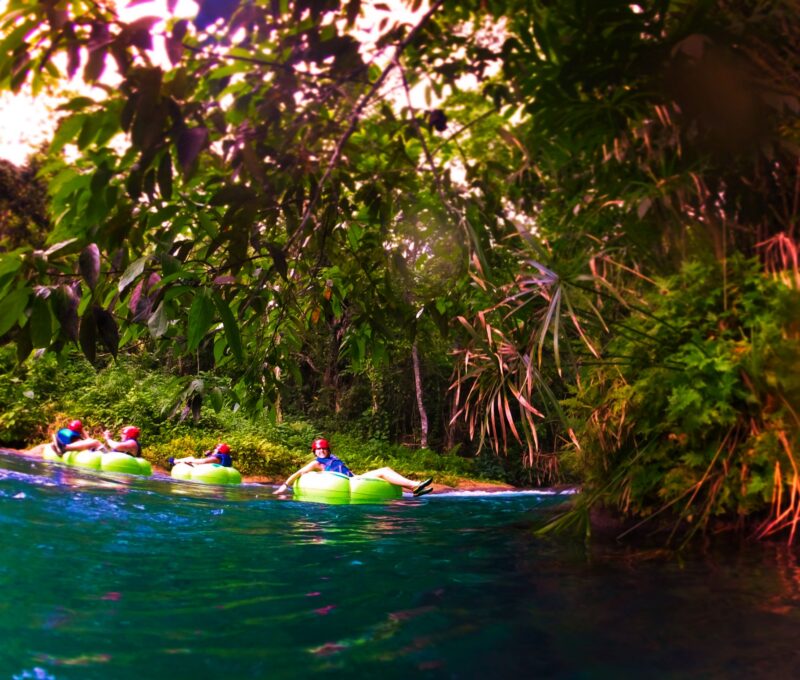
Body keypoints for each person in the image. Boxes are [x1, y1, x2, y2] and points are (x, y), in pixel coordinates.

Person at [275, 438, 433, 496]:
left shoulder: (333, 458)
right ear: (314, 452)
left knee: (385, 471)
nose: (321, 451)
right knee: (384, 471)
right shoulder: (316, 463)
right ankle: (415, 485)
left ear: (328, 450)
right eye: (318, 450)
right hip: (349, 483)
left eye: (323, 449)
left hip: (355, 478)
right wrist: (285, 486)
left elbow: (346, 471)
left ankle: (413, 488)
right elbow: (299, 473)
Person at [168, 442, 233, 468]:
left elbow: (203, 461)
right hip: (216, 472)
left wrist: (191, 461)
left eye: (215, 449)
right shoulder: (221, 458)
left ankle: (174, 461)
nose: (214, 450)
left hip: (205, 472)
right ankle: (176, 461)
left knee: (191, 458)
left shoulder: (216, 458)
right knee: (192, 460)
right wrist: (209, 455)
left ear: (219, 451)